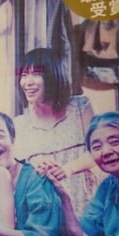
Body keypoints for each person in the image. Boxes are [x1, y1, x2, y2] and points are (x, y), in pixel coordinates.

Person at [13, 48, 99, 215]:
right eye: (24, 75)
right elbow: (18, 172)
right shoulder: (20, 124)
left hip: (85, 205)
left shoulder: (80, 107)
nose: (27, 82)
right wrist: (37, 167)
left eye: (36, 74)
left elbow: (97, 151)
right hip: (45, 212)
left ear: (53, 76)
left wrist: (67, 169)